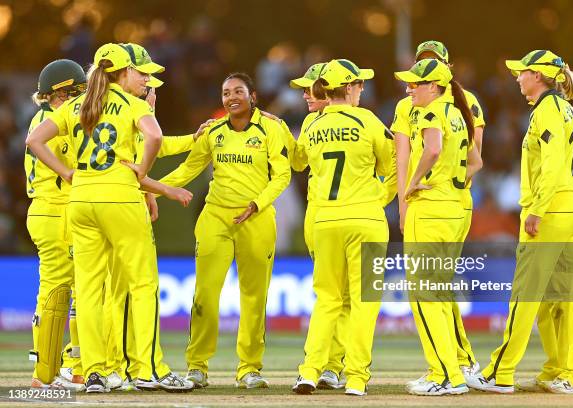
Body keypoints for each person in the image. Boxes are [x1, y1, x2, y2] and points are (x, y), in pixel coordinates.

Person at [25, 43, 193, 393]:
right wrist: (143, 172)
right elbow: (155, 136)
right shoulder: (131, 104)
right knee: (143, 285)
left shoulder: (77, 105)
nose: (146, 79)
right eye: (141, 72)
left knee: (86, 290)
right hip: (118, 198)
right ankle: (148, 371)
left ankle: (94, 372)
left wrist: (69, 174)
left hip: (80, 202)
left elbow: (34, 140)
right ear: (122, 72)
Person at [467, 50, 573, 395]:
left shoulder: (548, 110)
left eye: (522, 72)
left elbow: (552, 164)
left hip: (551, 210)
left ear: (537, 76)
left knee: (525, 295)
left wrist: (537, 209)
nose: (517, 77)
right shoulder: (567, 109)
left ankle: (500, 372)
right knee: (572, 297)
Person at [158, 72, 291, 389]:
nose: (231, 97)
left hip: (256, 219)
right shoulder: (214, 130)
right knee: (205, 293)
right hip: (215, 217)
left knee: (254, 297)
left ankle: (249, 368)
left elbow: (282, 175)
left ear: (253, 96)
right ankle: (197, 366)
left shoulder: (270, 128)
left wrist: (257, 205)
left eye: (238, 91)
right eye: (225, 92)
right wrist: (156, 189)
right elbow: (189, 167)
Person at [292, 59, 395, 397]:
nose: (362, 90)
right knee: (364, 302)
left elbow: (298, 162)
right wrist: (381, 196)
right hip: (365, 218)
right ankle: (355, 378)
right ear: (348, 88)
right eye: (359, 85)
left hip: (325, 219)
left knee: (327, 300)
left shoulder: (311, 123)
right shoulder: (367, 120)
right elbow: (392, 164)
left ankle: (309, 372)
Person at [391, 41, 485, 391]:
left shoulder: (430, 111)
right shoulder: (460, 110)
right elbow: (476, 161)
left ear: (435, 82)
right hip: (456, 206)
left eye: (416, 81)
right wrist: (452, 183)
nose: (410, 87)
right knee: (439, 290)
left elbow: (427, 151)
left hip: (430, 210)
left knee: (425, 293)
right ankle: (455, 367)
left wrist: (412, 187)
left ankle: (446, 375)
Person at [25, 59, 87, 391]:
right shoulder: (58, 123)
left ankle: (46, 372)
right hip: (60, 210)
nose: (83, 98)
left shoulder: (41, 118)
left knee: (53, 291)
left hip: (44, 210)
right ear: (63, 93)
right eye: (79, 91)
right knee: (75, 291)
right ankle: (74, 367)